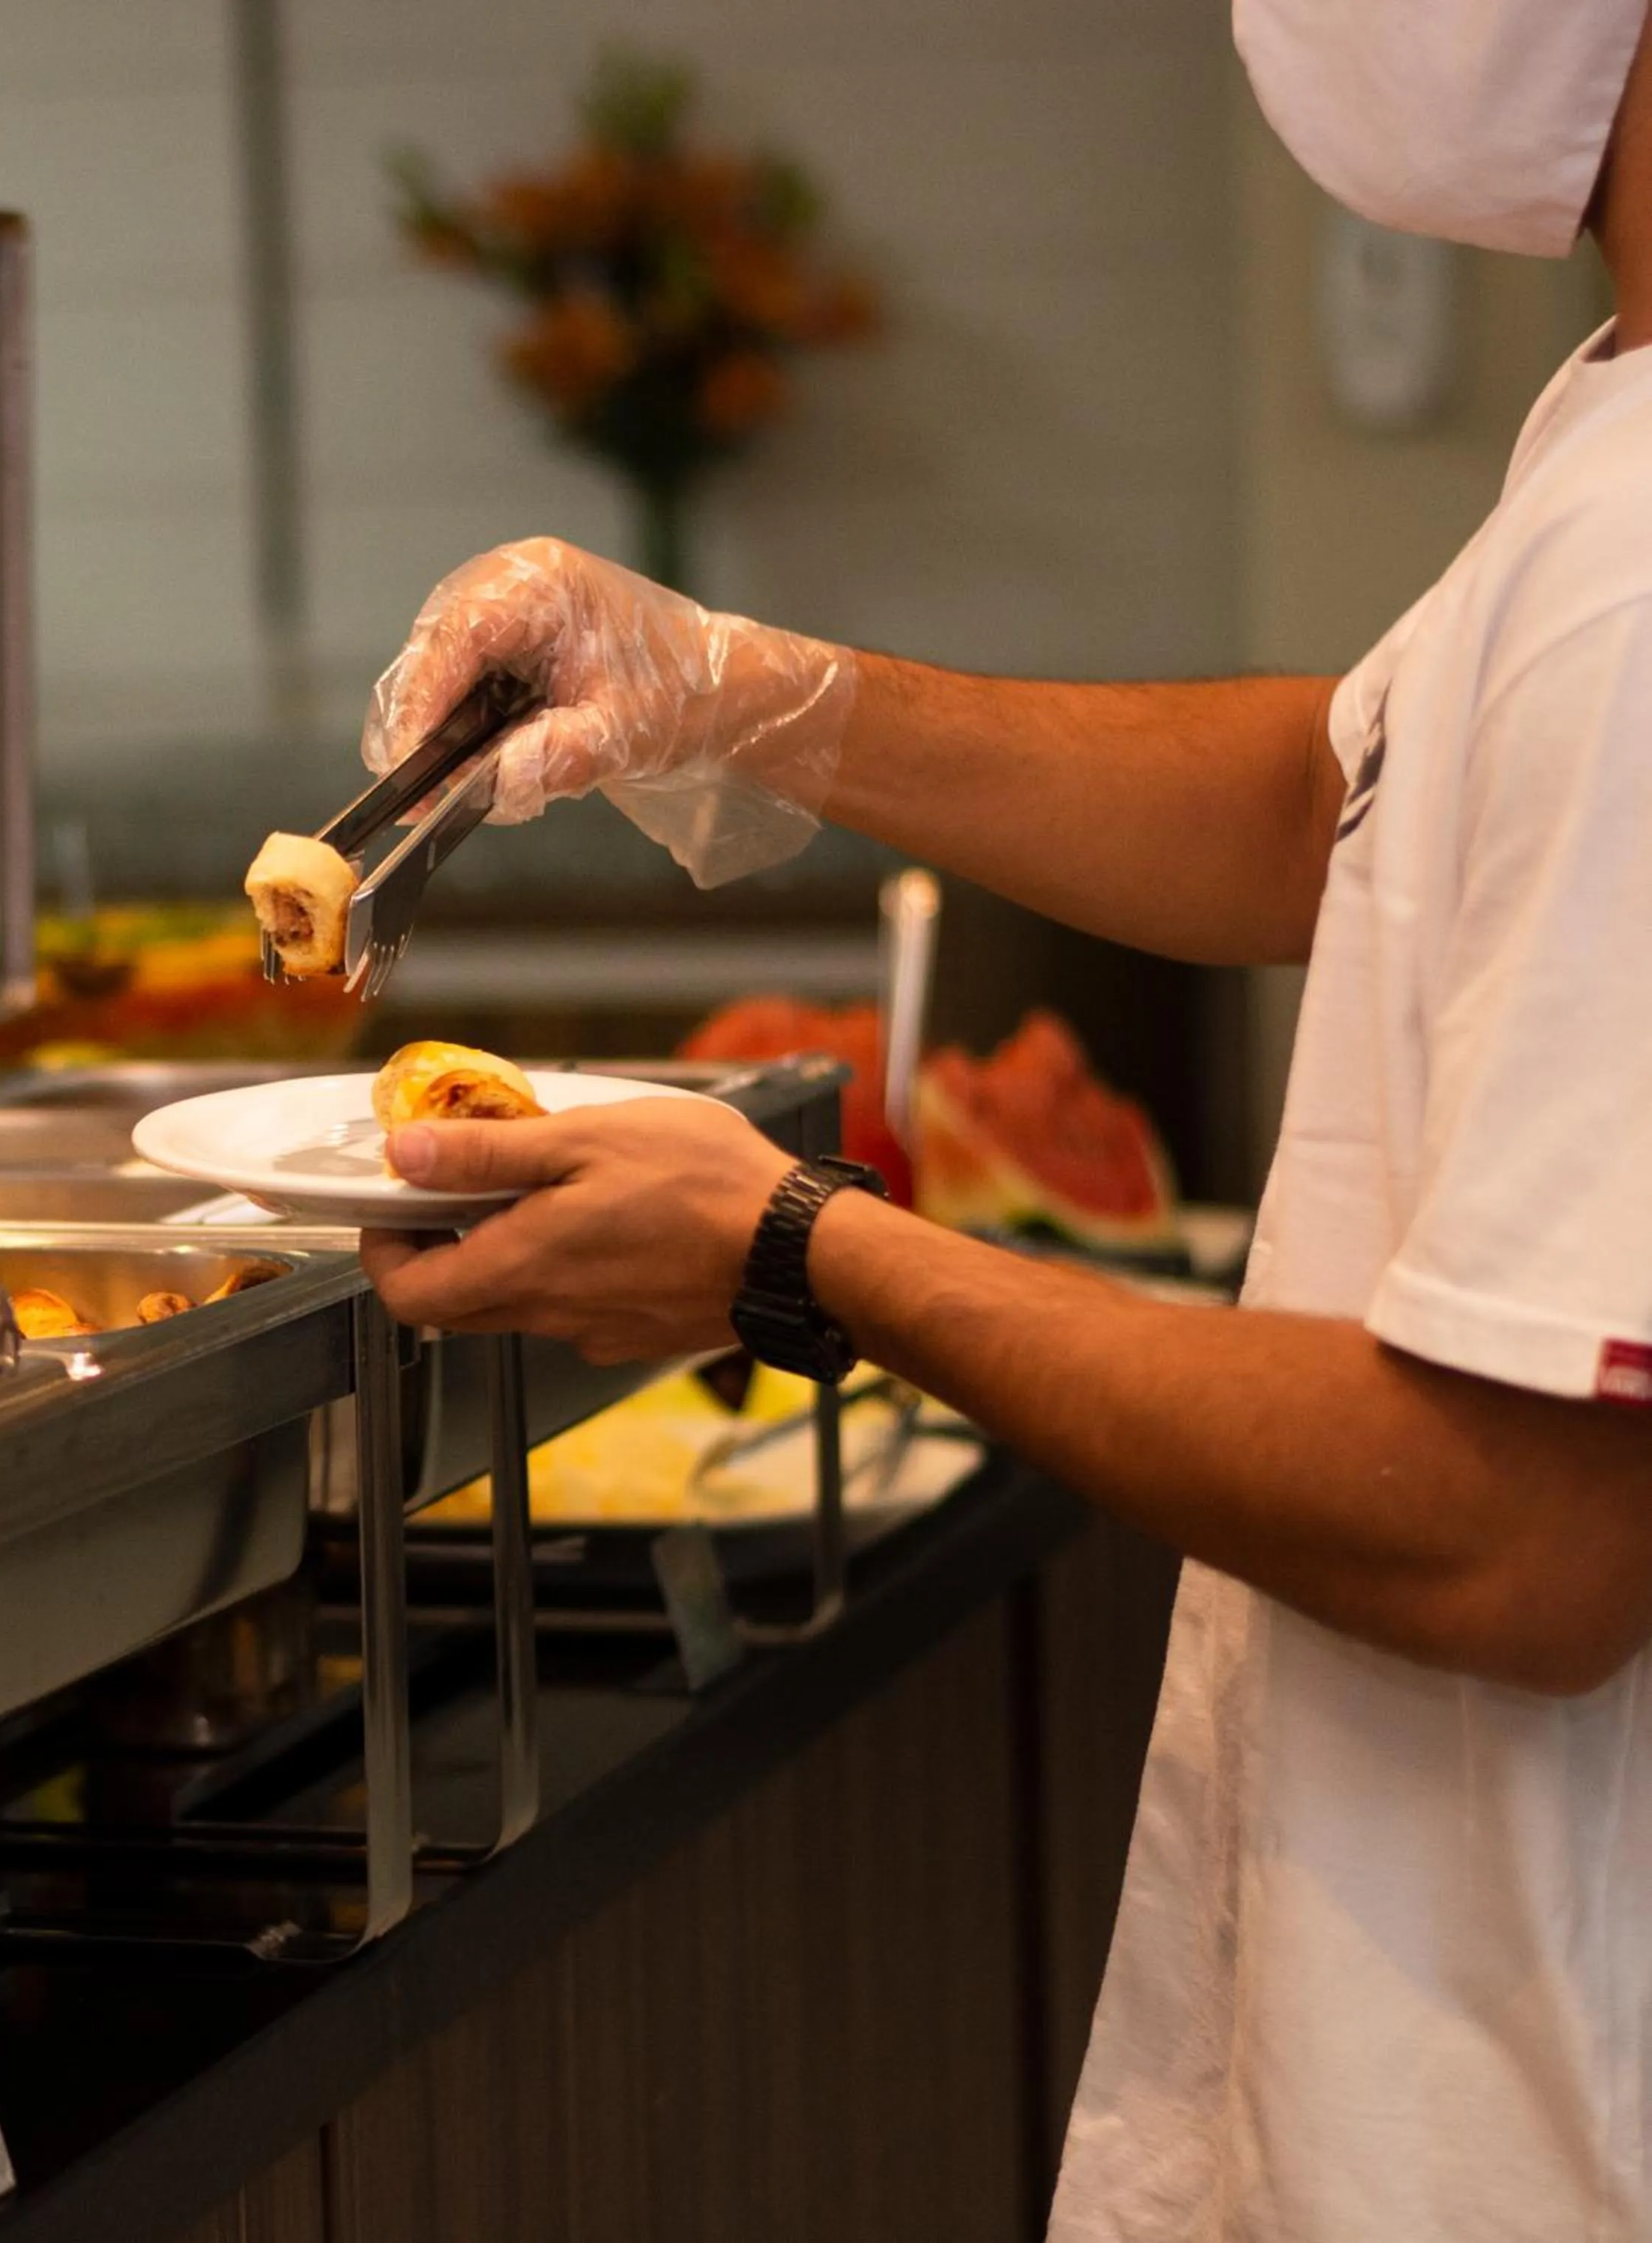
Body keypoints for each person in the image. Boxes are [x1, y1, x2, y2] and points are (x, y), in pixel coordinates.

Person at [352, 1, 1652, 2235]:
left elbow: (1518, 1530)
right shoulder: (1609, 440)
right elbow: (1332, 800)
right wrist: (745, 689)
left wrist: (796, 1247)